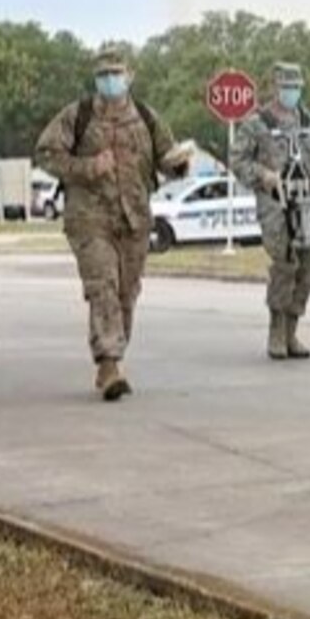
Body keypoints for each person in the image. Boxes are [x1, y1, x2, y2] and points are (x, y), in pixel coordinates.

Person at [36, 45, 189, 401]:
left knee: (126, 293)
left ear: (129, 76)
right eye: (103, 75)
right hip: (90, 219)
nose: (110, 81)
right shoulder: (79, 115)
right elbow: (46, 152)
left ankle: (115, 359)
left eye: (116, 74)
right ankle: (108, 366)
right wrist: (86, 168)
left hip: (134, 219)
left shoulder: (148, 118)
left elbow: (166, 156)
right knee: (103, 285)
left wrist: (178, 164)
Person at [230, 62, 310, 360]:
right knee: (284, 264)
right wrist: (262, 175)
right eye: (287, 87)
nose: (292, 92)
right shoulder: (256, 121)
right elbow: (237, 159)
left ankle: (292, 330)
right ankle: (276, 330)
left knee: (307, 269)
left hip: (307, 202)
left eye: (296, 87)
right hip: (274, 202)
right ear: (276, 86)